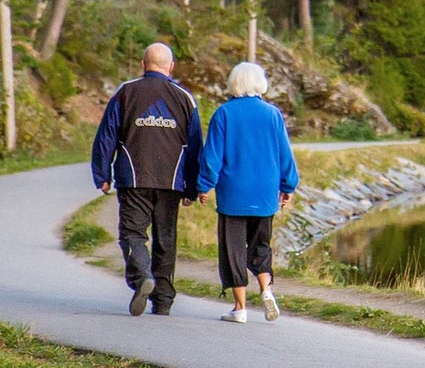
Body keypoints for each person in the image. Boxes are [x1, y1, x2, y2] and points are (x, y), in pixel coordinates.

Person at [90, 42, 203, 317]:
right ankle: (163, 300)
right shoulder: (184, 98)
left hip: (133, 178)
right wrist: (192, 185)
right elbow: (195, 145)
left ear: (143, 64)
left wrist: (102, 174)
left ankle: (142, 278)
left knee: (132, 234)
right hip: (171, 180)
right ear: (171, 67)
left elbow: (106, 136)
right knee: (166, 238)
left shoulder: (126, 92)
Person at [196, 61, 299, 323]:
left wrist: (204, 185)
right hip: (265, 194)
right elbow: (284, 154)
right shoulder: (272, 114)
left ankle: (240, 308)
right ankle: (266, 290)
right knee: (260, 245)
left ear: (234, 83)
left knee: (233, 250)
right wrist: (288, 186)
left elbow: (212, 157)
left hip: (233, 194)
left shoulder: (224, 114)